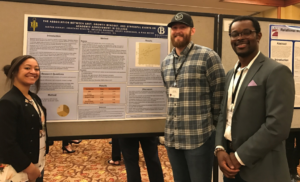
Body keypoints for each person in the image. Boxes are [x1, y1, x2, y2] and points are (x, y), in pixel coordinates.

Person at [215, 16, 295, 182]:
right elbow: (225, 114)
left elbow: (277, 127)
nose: (240, 38)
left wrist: (239, 157)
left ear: (258, 36)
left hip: (261, 168)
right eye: (234, 34)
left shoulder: (276, 72)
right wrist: (220, 148)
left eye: (246, 33)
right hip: (230, 165)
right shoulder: (231, 74)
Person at [160, 12, 225, 182]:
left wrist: (215, 133)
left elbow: (219, 95)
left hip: (199, 138)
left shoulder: (208, 56)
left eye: (183, 27)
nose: (178, 31)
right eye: (174, 28)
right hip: (173, 138)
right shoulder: (166, 62)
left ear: (192, 30)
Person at [0, 55, 50, 182]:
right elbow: (7, 142)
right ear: (15, 72)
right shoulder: (8, 102)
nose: (33, 72)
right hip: (19, 168)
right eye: (27, 68)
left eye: (36, 69)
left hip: (37, 162)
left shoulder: (34, 98)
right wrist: (29, 168)